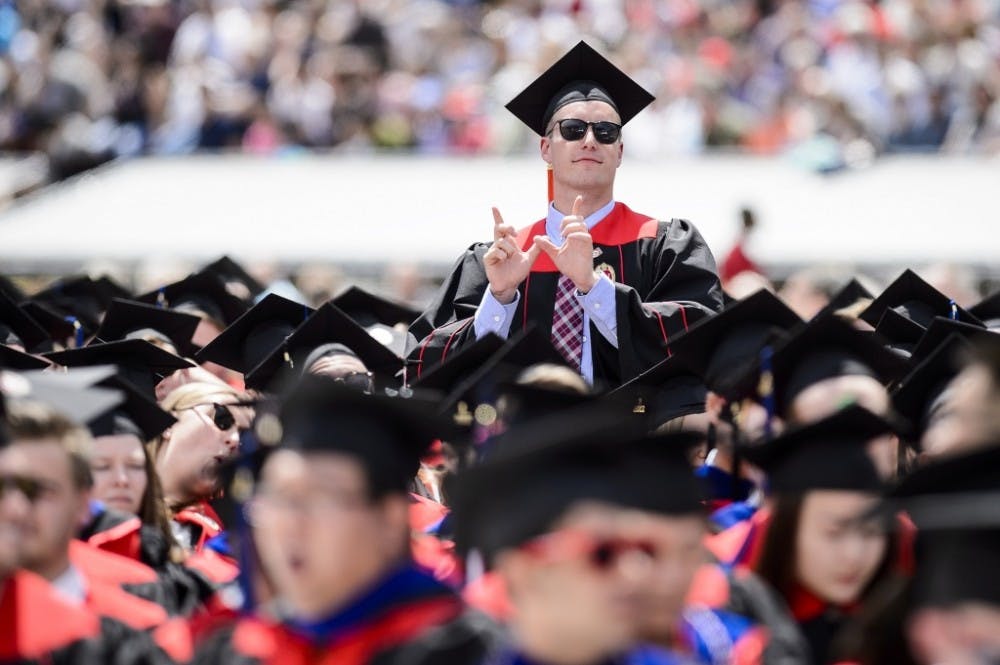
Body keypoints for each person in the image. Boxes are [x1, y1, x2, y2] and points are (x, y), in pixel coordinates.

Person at [410, 41, 723, 388]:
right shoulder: (498, 259)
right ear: (546, 147)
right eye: (572, 129)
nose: (589, 141)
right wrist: (499, 299)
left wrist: (594, 287)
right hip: (519, 440)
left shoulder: (662, 245)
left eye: (606, 132)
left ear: (619, 152)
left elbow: (704, 340)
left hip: (629, 436)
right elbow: (422, 367)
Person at [193, 375, 499, 664]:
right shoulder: (238, 651)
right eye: (278, 497)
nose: (290, 522)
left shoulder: (462, 649)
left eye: (321, 497)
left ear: (390, 519)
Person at [719, 407, 907, 664]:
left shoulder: (909, 627)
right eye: (833, 533)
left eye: (871, 531)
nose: (854, 555)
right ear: (786, 529)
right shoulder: (728, 628)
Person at [151, 381, 244, 554]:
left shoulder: (225, 538)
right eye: (222, 418)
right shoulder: (110, 506)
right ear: (170, 422)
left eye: (243, 435)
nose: (235, 440)